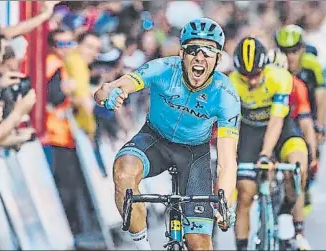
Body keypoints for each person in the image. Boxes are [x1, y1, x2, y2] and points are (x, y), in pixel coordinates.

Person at [94, 18, 239, 250]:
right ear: (182, 54)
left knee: (199, 243)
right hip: (154, 140)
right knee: (123, 173)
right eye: (193, 50)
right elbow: (111, 88)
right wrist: (108, 94)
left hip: (194, 155)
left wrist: (224, 201)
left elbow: (227, 162)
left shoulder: (226, 95)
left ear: (218, 59)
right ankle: (142, 247)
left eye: (208, 51)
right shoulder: (163, 68)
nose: (200, 57)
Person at [230, 37, 311, 250]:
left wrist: (266, 154)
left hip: (282, 130)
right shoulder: (231, 83)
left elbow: (276, 121)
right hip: (250, 133)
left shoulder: (280, 77)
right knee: (245, 194)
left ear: (265, 66)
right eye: (245, 76)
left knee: (297, 167)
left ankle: (286, 212)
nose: (252, 81)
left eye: (256, 74)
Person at [275, 24, 326, 215]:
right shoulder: (275, 66)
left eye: (294, 51)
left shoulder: (312, 65)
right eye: (285, 51)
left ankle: (303, 187)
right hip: (285, 116)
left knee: (311, 152)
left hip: (307, 113)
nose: (290, 56)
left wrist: (320, 126)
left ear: (302, 49)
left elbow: (321, 98)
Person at [268, 48, 318, 216]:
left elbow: (306, 122)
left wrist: (312, 152)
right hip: (263, 134)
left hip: (288, 131)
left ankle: (295, 227)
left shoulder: (296, 86)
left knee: (296, 174)